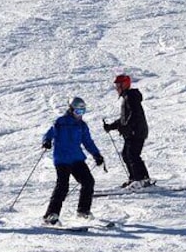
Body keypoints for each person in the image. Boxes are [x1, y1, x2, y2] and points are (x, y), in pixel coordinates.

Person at [41, 96, 104, 224]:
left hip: (76, 158)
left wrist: (96, 154)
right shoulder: (61, 122)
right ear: (71, 110)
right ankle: (51, 215)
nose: (80, 115)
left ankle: (83, 211)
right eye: (78, 112)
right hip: (62, 159)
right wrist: (46, 141)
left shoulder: (82, 125)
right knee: (63, 186)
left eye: (82, 112)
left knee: (88, 182)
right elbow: (49, 133)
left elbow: (88, 142)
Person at [103, 74, 151, 188]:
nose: (116, 88)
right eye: (116, 85)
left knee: (132, 155)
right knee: (127, 154)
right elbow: (124, 119)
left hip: (136, 132)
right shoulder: (127, 97)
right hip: (133, 132)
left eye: (118, 85)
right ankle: (137, 178)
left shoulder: (131, 97)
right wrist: (111, 126)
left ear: (125, 84)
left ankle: (140, 180)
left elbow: (135, 115)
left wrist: (128, 127)